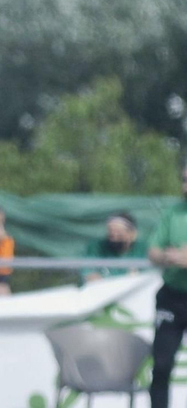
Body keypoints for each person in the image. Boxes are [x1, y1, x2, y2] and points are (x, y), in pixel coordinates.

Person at [148, 163, 187, 408]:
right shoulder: (173, 213)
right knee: (161, 365)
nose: (186, 186)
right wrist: (167, 257)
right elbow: (153, 251)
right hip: (172, 298)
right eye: (184, 180)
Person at [80, 211, 147, 283]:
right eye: (111, 234)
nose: (114, 239)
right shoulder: (97, 247)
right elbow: (90, 275)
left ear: (132, 234)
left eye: (119, 235)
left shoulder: (142, 250)